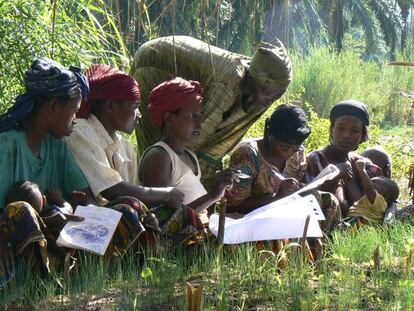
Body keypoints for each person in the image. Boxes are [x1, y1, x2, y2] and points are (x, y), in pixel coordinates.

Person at [132, 35, 292, 189]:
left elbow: (218, 138)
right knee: (163, 151)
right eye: (267, 93)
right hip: (154, 65)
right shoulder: (226, 84)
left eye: (278, 94)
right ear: (251, 79)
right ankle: (155, 204)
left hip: (192, 79)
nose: (271, 100)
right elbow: (195, 137)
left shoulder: (260, 90)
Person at [0, 57, 92, 286]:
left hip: (50, 242)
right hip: (10, 247)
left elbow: (83, 196)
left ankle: (78, 274)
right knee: (22, 212)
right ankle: (41, 282)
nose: (75, 120)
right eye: (73, 111)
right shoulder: (6, 145)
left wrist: (71, 206)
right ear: (52, 107)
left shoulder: (57, 147)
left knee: (124, 210)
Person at [138, 77, 234, 233]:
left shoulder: (190, 156)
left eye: (200, 115)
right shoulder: (159, 157)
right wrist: (212, 196)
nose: (199, 122)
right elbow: (161, 221)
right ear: (169, 118)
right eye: (192, 115)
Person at [226, 104, 341, 232]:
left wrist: (302, 188)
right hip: (253, 218)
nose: (290, 153)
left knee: (328, 201)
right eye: (285, 148)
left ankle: (323, 248)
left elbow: (300, 181)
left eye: (295, 148)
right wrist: (276, 197)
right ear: (270, 134)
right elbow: (233, 205)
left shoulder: (297, 153)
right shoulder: (247, 155)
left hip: (285, 208)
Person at [306, 99, 383, 217]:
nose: (347, 135)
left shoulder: (363, 165)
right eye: (341, 128)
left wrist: (354, 179)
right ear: (331, 130)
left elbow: (374, 204)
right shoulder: (316, 159)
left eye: (355, 130)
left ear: (363, 135)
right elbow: (308, 197)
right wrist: (333, 176)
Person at [346, 159, 399, 225]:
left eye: (373, 185)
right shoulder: (368, 200)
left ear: (385, 196)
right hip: (354, 220)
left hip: (363, 223)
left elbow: (369, 188)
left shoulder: (380, 202)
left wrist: (362, 170)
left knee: (346, 226)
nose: (367, 184)